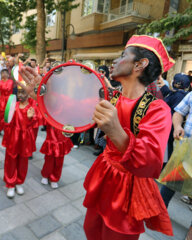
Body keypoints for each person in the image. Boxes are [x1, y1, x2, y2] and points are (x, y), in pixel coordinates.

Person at [18, 35, 175, 239]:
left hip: (127, 189)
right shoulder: (111, 97)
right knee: (91, 230)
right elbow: (74, 106)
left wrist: (116, 131)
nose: (115, 61)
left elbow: (151, 161)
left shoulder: (157, 109)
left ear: (140, 64)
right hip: (104, 175)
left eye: (122, 55)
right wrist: (42, 92)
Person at [2, 82, 36, 198]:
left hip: (25, 139)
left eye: (23, 92)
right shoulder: (13, 105)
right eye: (19, 92)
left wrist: (31, 118)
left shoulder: (31, 107)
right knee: (11, 160)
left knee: (23, 161)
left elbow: (34, 123)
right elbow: (7, 121)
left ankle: (19, 182)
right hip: (13, 138)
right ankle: (11, 184)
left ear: (28, 93)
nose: (20, 95)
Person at [40, 123, 73, 189]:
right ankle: (45, 175)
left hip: (63, 130)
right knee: (49, 160)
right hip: (52, 133)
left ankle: (54, 178)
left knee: (59, 161)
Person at [0, 69, 14, 137]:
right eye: (2, 73)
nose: (4, 74)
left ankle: (7, 130)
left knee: (8, 115)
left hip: (8, 100)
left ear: (8, 74)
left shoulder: (10, 81)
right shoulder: (0, 82)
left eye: (5, 73)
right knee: (0, 116)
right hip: (1, 100)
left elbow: (7, 88)